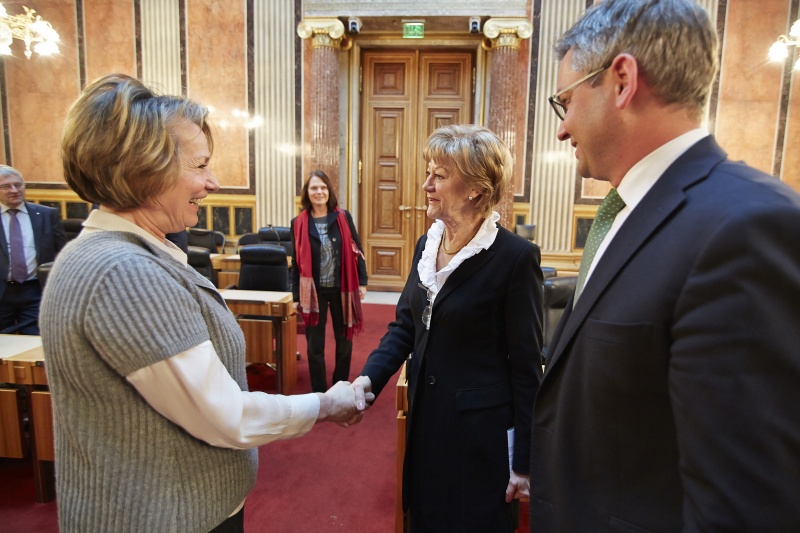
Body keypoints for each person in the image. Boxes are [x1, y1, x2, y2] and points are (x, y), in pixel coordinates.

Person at [41, 73, 370, 533]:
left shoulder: (116, 255)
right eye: (199, 165)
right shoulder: (124, 273)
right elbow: (224, 414)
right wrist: (324, 404)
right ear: (142, 170)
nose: (213, 182)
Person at [531, 0, 800, 531]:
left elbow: (743, 504)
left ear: (622, 80)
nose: (562, 131)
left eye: (566, 102)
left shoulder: (745, 227)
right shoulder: (629, 210)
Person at [352, 124, 543, 532]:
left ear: (475, 188)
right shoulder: (427, 245)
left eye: (439, 175)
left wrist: (524, 461)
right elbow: (406, 325)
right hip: (426, 425)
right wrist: (368, 380)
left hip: (480, 441)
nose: (426, 185)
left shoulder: (515, 258)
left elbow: (527, 365)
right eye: (429, 173)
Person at [291, 170, 368, 393]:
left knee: (344, 341)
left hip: (341, 288)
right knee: (315, 346)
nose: (319, 192)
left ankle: (340, 386)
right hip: (313, 292)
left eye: (323, 187)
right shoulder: (298, 223)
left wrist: (362, 282)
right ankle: (319, 391)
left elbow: (357, 250)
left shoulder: (343, 217)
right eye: (314, 188)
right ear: (307, 192)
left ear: (329, 191)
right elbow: (295, 263)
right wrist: (296, 296)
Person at [0, 165, 66, 334]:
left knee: (36, 341)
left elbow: (62, 252)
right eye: (5, 186)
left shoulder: (46, 214)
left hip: (35, 290)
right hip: (2, 291)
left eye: (18, 185)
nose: (14, 190)